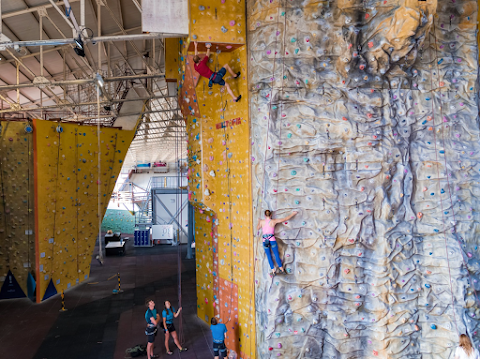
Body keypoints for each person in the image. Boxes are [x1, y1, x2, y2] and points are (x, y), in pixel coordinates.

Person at [257, 209, 297, 278]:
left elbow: (258, 228)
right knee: (276, 254)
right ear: (271, 215)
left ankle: (273, 271)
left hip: (265, 240)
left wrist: (259, 221)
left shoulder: (262, 222)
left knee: (269, 256)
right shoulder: (273, 221)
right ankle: (281, 269)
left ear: (264, 215)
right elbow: (284, 219)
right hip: (272, 239)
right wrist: (293, 214)